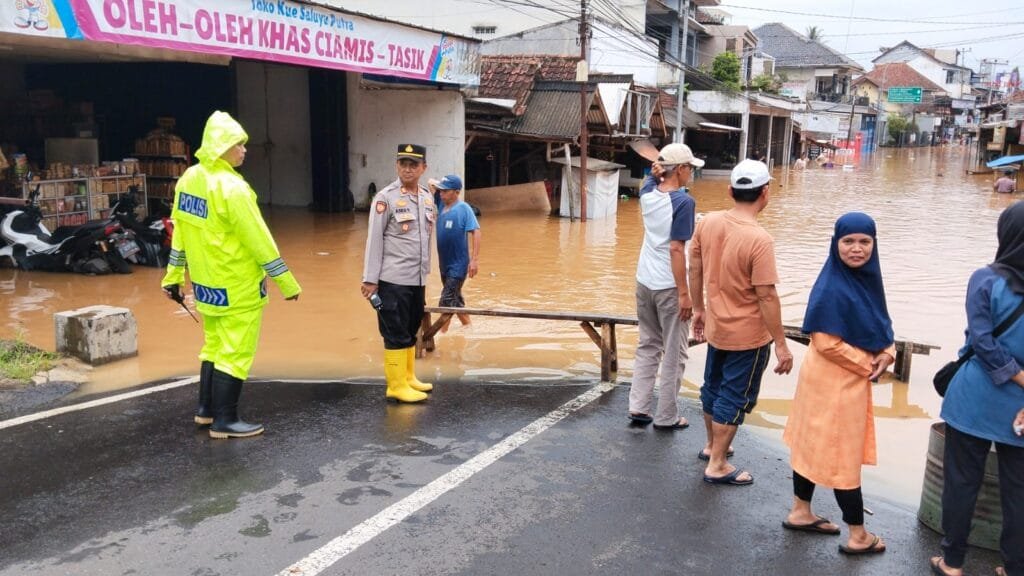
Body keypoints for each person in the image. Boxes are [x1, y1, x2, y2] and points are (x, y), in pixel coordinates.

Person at [161, 110, 301, 439]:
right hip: (237, 284)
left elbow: (179, 233)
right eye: (239, 144)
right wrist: (287, 282)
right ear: (222, 146)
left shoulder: (189, 179)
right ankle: (226, 420)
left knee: (213, 346)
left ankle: (206, 411)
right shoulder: (233, 189)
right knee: (236, 350)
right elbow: (260, 240)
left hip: (206, 284)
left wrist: (172, 276)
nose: (244, 150)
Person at [781, 212, 895, 556]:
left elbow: (876, 325)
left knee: (812, 443)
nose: (857, 249)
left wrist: (887, 350)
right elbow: (825, 340)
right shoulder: (833, 285)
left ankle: (801, 510)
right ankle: (858, 534)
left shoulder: (865, 279)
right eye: (848, 242)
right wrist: (868, 364)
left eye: (864, 242)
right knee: (842, 453)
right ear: (836, 243)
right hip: (836, 378)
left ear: (874, 245)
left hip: (834, 377)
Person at [930, 202, 1024, 576]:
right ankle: (1015, 567)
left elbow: (983, 344)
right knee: (1018, 491)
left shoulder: (985, 279)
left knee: (961, 482)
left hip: (972, 400)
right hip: (1019, 411)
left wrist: (1015, 375)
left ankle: (952, 562)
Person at [689, 159, 794, 485]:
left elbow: (695, 268)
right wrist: (780, 343)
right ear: (765, 193)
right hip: (748, 335)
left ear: (731, 191)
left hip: (717, 327)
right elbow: (766, 296)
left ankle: (711, 447)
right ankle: (718, 464)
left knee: (713, 388)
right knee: (734, 397)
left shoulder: (708, 222)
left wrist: (698, 310)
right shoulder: (759, 239)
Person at [628, 143, 700, 430]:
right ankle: (667, 415)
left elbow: (651, 178)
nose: (692, 173)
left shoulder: (646, 193)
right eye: (690, 168)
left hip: (643, 280)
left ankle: (638, 407)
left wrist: (655, 172)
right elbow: (676, 249)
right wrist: (685, 294)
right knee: (675, 351)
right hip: (669, 286)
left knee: (648, 344)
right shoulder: (684, 203)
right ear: (680, 170)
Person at [362, 144, 436, 404]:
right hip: (391, 280)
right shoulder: (386, 198)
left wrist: (427, 274)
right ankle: (395, 386)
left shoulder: (427, 198)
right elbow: (374, 240)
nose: (407, 168)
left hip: (416, 280)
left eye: (413, 164)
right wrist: (370, 280)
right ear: (396, 166)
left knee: (410, 327)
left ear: (423, 168)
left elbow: (427, 240)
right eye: (403, 163)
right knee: (394, 331)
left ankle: (408, 377)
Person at [434, 174, 481, 331]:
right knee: (455, 300)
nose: (441, 193)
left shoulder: (464, 209)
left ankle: (440, 335)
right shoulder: (441, 204)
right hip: (444, 264)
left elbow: (476, 232)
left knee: (446, 302)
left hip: (458, 265)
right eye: (441, 190)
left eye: (446, 191)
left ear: (456, 192)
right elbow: (430, 183)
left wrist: (474, 260)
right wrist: (442, 184)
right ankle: (469, 328)